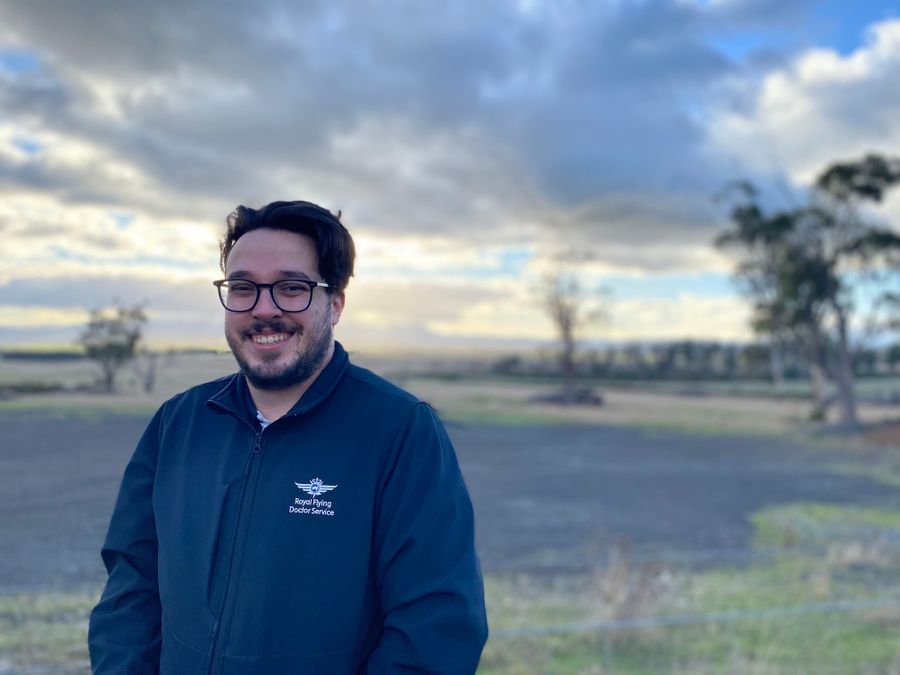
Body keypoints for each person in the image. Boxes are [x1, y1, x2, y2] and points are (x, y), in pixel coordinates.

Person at [88, 201, 488, 674]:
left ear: (334, 304)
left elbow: (436, 625)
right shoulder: (179, 422)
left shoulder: (400, 430)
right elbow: (131, 586)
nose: (263, 309)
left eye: (292, 288)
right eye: (242, 288)